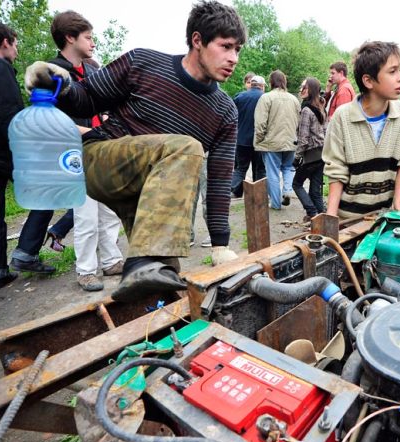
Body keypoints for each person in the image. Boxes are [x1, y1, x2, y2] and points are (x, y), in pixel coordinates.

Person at [24, 1, 246, 301]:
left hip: (149, 195)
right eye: (226, 47)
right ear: (197, 40)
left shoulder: (225, 112)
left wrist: (220, 245)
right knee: (187, 148)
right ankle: (140, 265)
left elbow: (219, 183)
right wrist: (58, 85)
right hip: (101, 160)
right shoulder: (143, 63)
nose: (233, 58)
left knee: (161, 281)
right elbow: (87, 98)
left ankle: (146, 311)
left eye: (238, 50)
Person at [0, 19, 57, 292]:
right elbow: (7, 112)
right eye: (16, 43)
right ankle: (26, 253)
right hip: (3, 148)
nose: (17, 50)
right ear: (6, 42)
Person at [48, 10, 124, 292]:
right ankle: (87, 270)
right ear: (70, 38)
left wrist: (107, 123)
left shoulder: (92, 71)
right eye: (88, 37)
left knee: (109, 211)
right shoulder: (51, 73)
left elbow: (104, 108)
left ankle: (112, 261)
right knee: (85, 215)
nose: (93, 43)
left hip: (101, 150)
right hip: (74, 153)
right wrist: (91, 132)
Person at [323, 41, 400, 219]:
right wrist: (331, 217)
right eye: (392, 71)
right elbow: (336, 168)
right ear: (368, 80)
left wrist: (398, 203)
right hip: (348, 218)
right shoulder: (342, 117)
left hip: (383, 217)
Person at [253, 70, 300, 210]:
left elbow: (260, 123)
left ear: (271, 82)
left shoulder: (266, 98)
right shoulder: (294, 99)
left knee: (272, 173)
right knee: (288, 168)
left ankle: (275, 203)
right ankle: (287, 191)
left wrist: (260, 139)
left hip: (271, 142)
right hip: (291, 141)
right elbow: (299, 121)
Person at [293, 77, 327, 222]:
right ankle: (323, 217)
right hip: (322, 154)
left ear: (311, 90)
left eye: (304, 88)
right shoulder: (321, 106)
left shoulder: (307, 110)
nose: (301, 90)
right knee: (315, 191)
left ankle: (312, 212)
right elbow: (325, 131)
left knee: (296, 184)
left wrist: (297, 157)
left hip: (311, 155)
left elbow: (304, 138)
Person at [231, 74, 266, 199]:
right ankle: (259, 193)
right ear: (262, 86)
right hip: (260, 140)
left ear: (251, 84)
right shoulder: (265, 97)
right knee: (260, 168)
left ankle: (234, 191)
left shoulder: (240, 97)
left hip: (241, 139)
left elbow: (231, 116)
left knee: (240, 168)